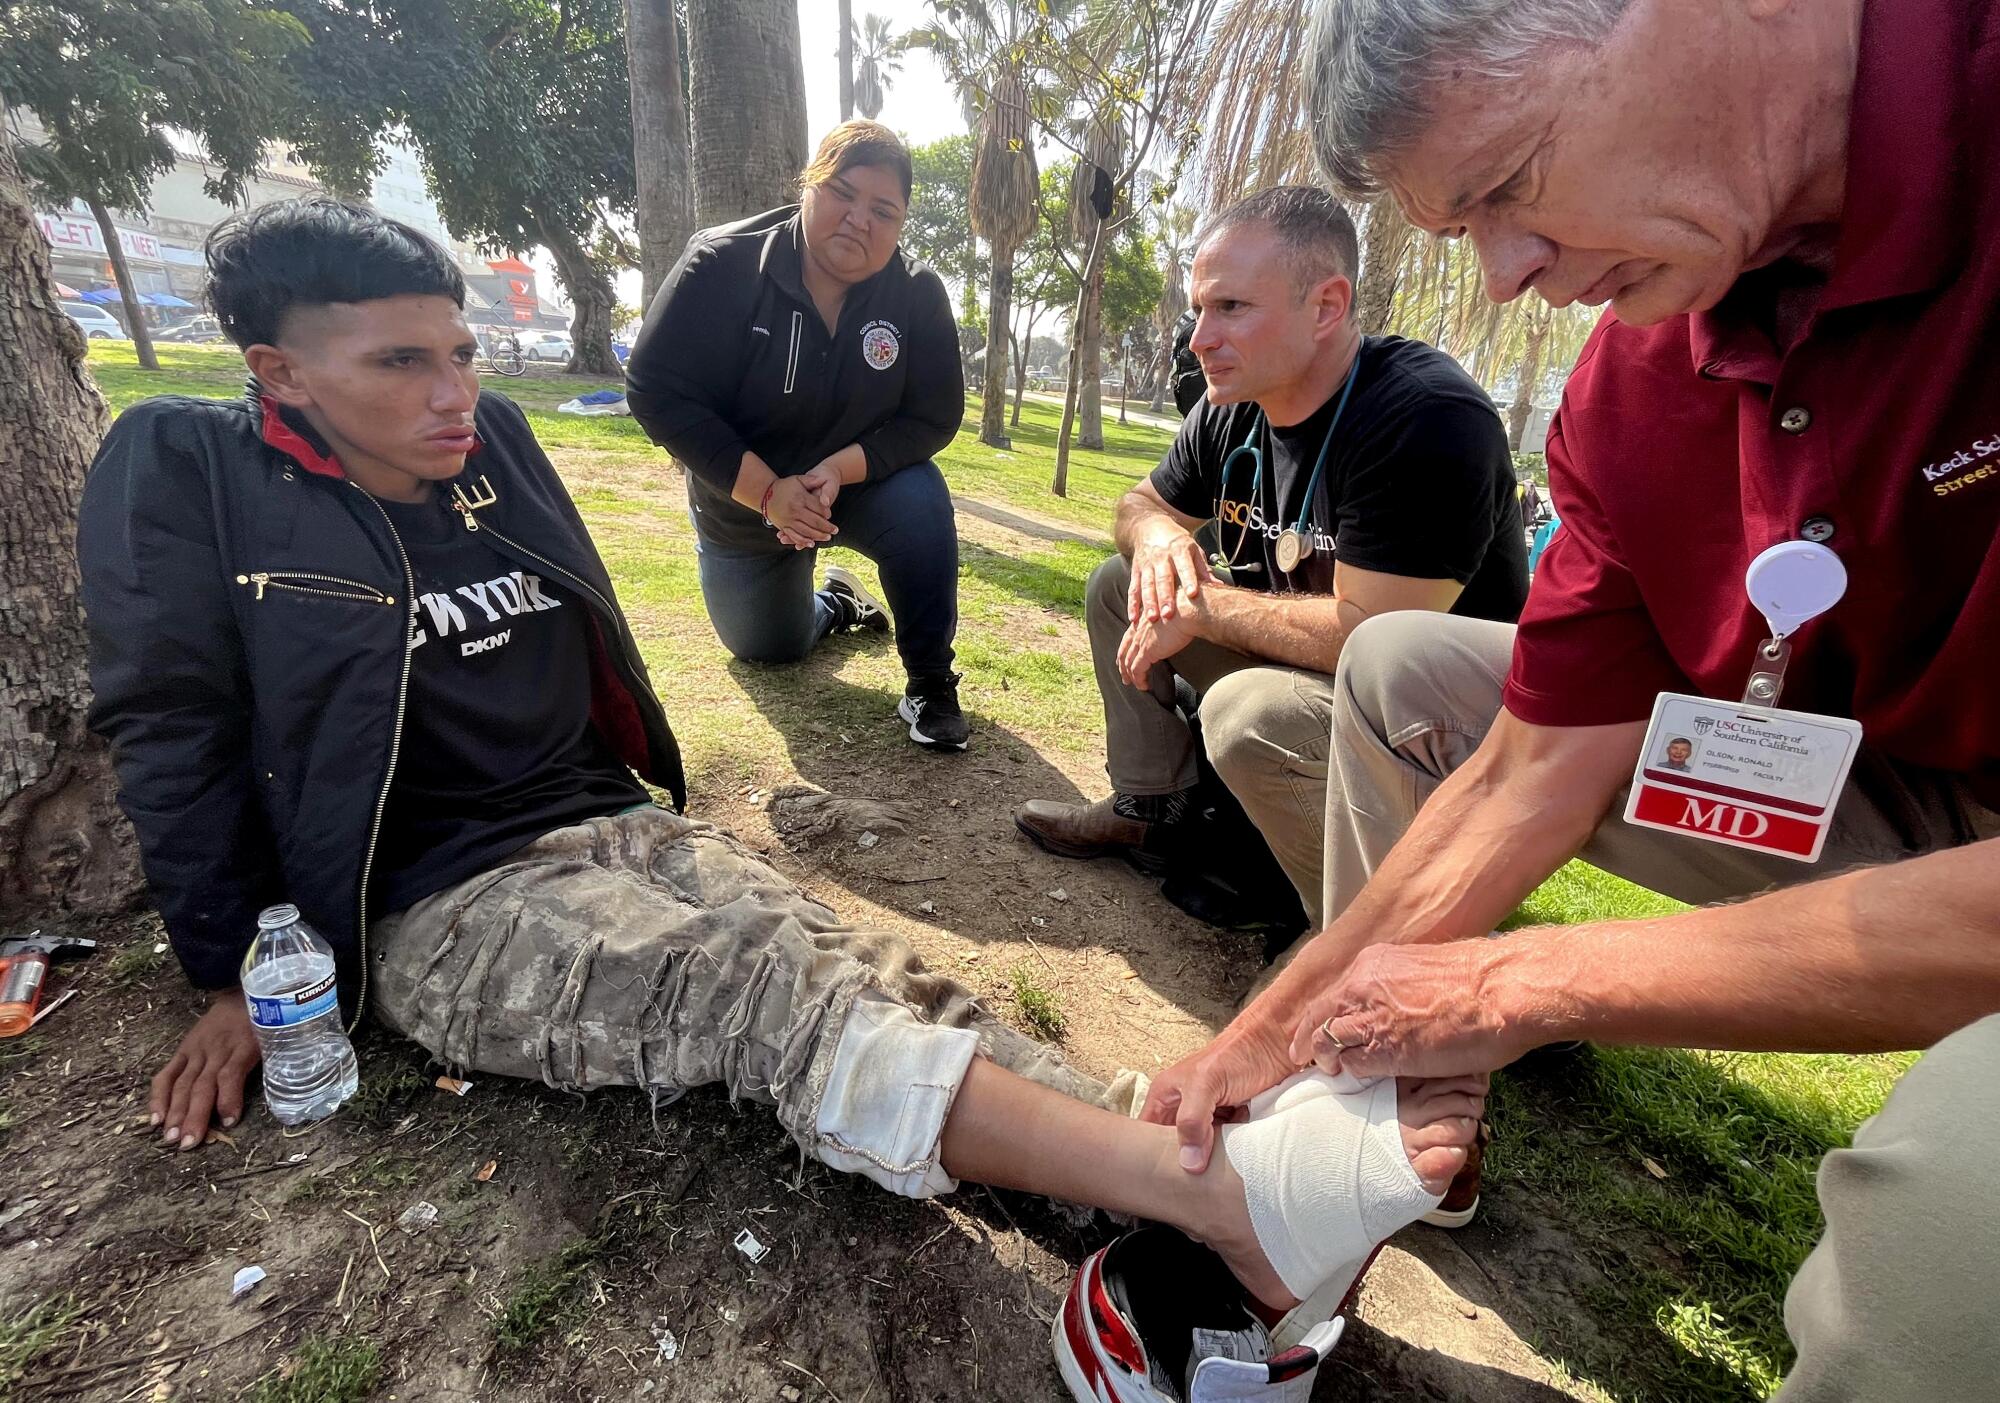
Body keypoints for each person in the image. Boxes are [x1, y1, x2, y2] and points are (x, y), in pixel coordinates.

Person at [77, 198, 1482, 1399]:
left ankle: (1162, 1154)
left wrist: (638, 814)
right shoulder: (192, 469)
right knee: (744, 985)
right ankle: (1227, 1200)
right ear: (281, 372)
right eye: (401, 361)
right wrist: (230, 970)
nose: (457, 391)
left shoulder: (489, 438)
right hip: (433, 893)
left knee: (854, 959)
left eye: (459, 348)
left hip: (599, 811)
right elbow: (172, 725)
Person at [1142, 0, 2000, 1396]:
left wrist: (1509, 979)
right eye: (1462, 225)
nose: (1504, 276)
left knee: (1946, 1245)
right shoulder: (1640, 366)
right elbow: (1525, 766)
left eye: (1513, 181)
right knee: (1411, 666)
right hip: (1885, 778)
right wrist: (1279, 1025)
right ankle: (1391, 1110)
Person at [1014, 187, 1528, 930]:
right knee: (1120, 581)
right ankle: (1151, 811)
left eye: (1230, 308)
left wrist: (1199, 605)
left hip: (1435, 734)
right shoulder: (1232, 406)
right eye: (1199, 309)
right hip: (1315, 677)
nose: (1197, 337)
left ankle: (1366, 935)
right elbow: (1139, 505)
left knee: (1247, 712)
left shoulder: (1426, 418)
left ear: (1326, 306)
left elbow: (1376, 641)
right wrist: (1160, 541)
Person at [624, 121, 970, 751]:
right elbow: (655, 390)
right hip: (742, 506)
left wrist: (839, 469)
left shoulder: (917, 294)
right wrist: (765, 494)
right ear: (807, 185)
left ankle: (930, 683)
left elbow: (935, 416)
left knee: (920, 503)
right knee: (768, 649)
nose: (858, 220)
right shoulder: (721, 263)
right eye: (842, 192)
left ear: (900, 225)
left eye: (883, 211)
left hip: (856, 488)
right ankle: (836, 603)